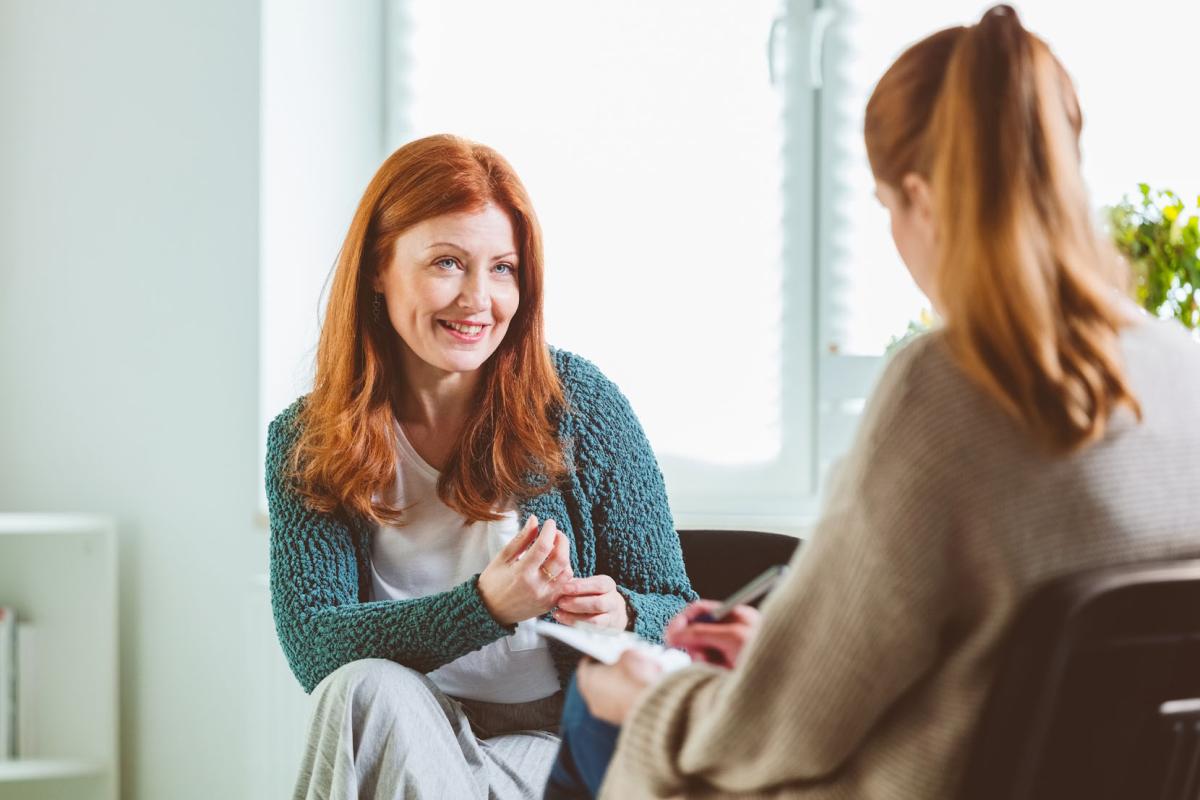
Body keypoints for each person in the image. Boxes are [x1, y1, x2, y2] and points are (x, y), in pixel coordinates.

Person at [547, 6, 1200, 798]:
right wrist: (781, 653)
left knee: (600, 705)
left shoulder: (952, 383)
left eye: (888, 206)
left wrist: (650, 691)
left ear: (922, 198)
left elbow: (783, 732)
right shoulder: (1181, 374)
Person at [264, 134, 696, 800]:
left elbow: (676, 606)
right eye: (447, 263)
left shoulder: (580, 405)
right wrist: (486, 608)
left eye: (503, 269)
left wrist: (620, 613)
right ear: (378, 268)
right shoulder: (306, 438)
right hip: (408, 731)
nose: (478, 299)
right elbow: (315, 649)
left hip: (549, 744)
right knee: (360, 688)